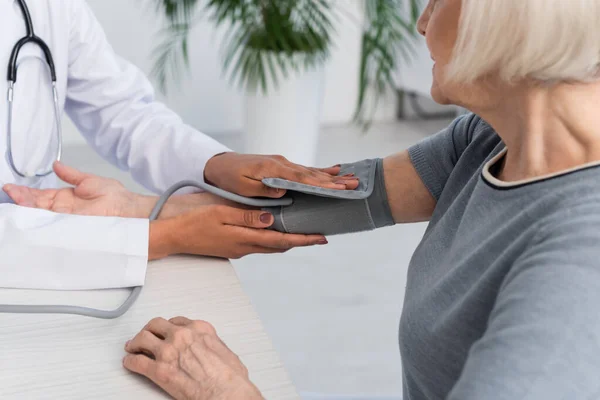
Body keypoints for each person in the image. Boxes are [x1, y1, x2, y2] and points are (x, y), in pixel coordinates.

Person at [45, 0, 599, 398]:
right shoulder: (491, 139)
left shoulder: (580, 262)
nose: (421, 19)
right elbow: (329, 198)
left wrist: (226, 393)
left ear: (507, 17)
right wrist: (139, 211)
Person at [0, 0, 359, 289]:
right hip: (40, 247)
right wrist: (165, 232)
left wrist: (216, 164)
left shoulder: (47, 7)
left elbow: (122, 110)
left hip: (51, 233)